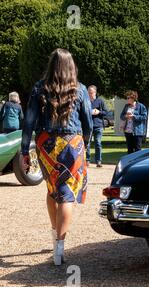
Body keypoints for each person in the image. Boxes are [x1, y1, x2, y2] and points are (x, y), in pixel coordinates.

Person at [21, 48, 93, 266]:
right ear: (71, 67)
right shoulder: (80, 90)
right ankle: (59, 248)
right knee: (67, 193)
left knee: (53, 190)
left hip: (47, 145)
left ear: (51, 65)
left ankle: (54, 235)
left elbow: (29, 122)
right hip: (73, 145)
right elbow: (88, 123)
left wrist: (25, 151)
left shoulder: (38, 88)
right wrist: (85, 146)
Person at [86, 85, 107, 167]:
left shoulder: (100, 101)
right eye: (89, 92)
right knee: (87, 144)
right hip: (88, 125)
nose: (90, 94)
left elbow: (106, 112)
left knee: (98, 143)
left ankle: (98, 161)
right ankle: (87, 160)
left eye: (91, 92)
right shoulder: (85, 101)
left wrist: (99, 112)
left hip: (98, 125)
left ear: (95, 92)